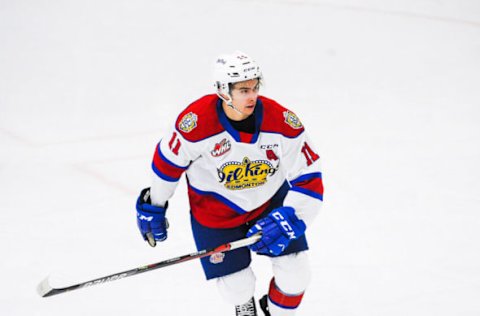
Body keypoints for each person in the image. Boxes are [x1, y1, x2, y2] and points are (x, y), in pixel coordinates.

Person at [135, 51, 324, 316]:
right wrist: (154, 203)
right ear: (223, 91)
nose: (252, 96)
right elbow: (168, 163)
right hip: (215, 214)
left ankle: (275, 310)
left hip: (270, 204)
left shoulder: (281, 121)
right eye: (243, 90)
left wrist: (292, 215)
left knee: (296, 274)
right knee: (236, 288)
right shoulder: (195, 124)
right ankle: (245, 308)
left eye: (255, 87)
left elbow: (309, 175)